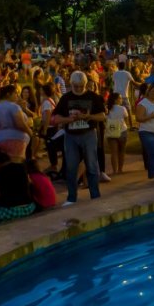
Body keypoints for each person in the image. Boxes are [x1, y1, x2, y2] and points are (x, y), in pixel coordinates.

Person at [51, 71, 107, 205]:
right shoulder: (66, 98)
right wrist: (68, 119)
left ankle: (95, 195)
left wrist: (89, 117)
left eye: (81, 86)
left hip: (88, 134)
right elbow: (55, 118)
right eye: (76, 86)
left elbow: (102, 116)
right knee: (71, 166)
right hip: (71, 136)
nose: (79, 89)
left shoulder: (93, 97)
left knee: (92, 166)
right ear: (71, 84)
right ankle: (71, 197)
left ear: (85, 84)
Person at [0, 85, 32, 162]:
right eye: (15, 93)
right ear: (8, 94)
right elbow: (20, 124)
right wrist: (30, 132)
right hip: (16, 139)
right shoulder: (14, 107)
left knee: (5, 164)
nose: (17, 95)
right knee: (16, 164)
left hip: (0, 139)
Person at [104, 92, 128, 176]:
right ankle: (120, 170)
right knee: (121, 152)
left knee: (113, 152)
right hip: (122, 130)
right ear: (116, 100)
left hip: (111, 130)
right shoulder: (122, 109)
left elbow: (105, 119)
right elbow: (126, 118)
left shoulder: (107, 108)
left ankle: (114, 170)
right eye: (120, 98)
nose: (121, 100)